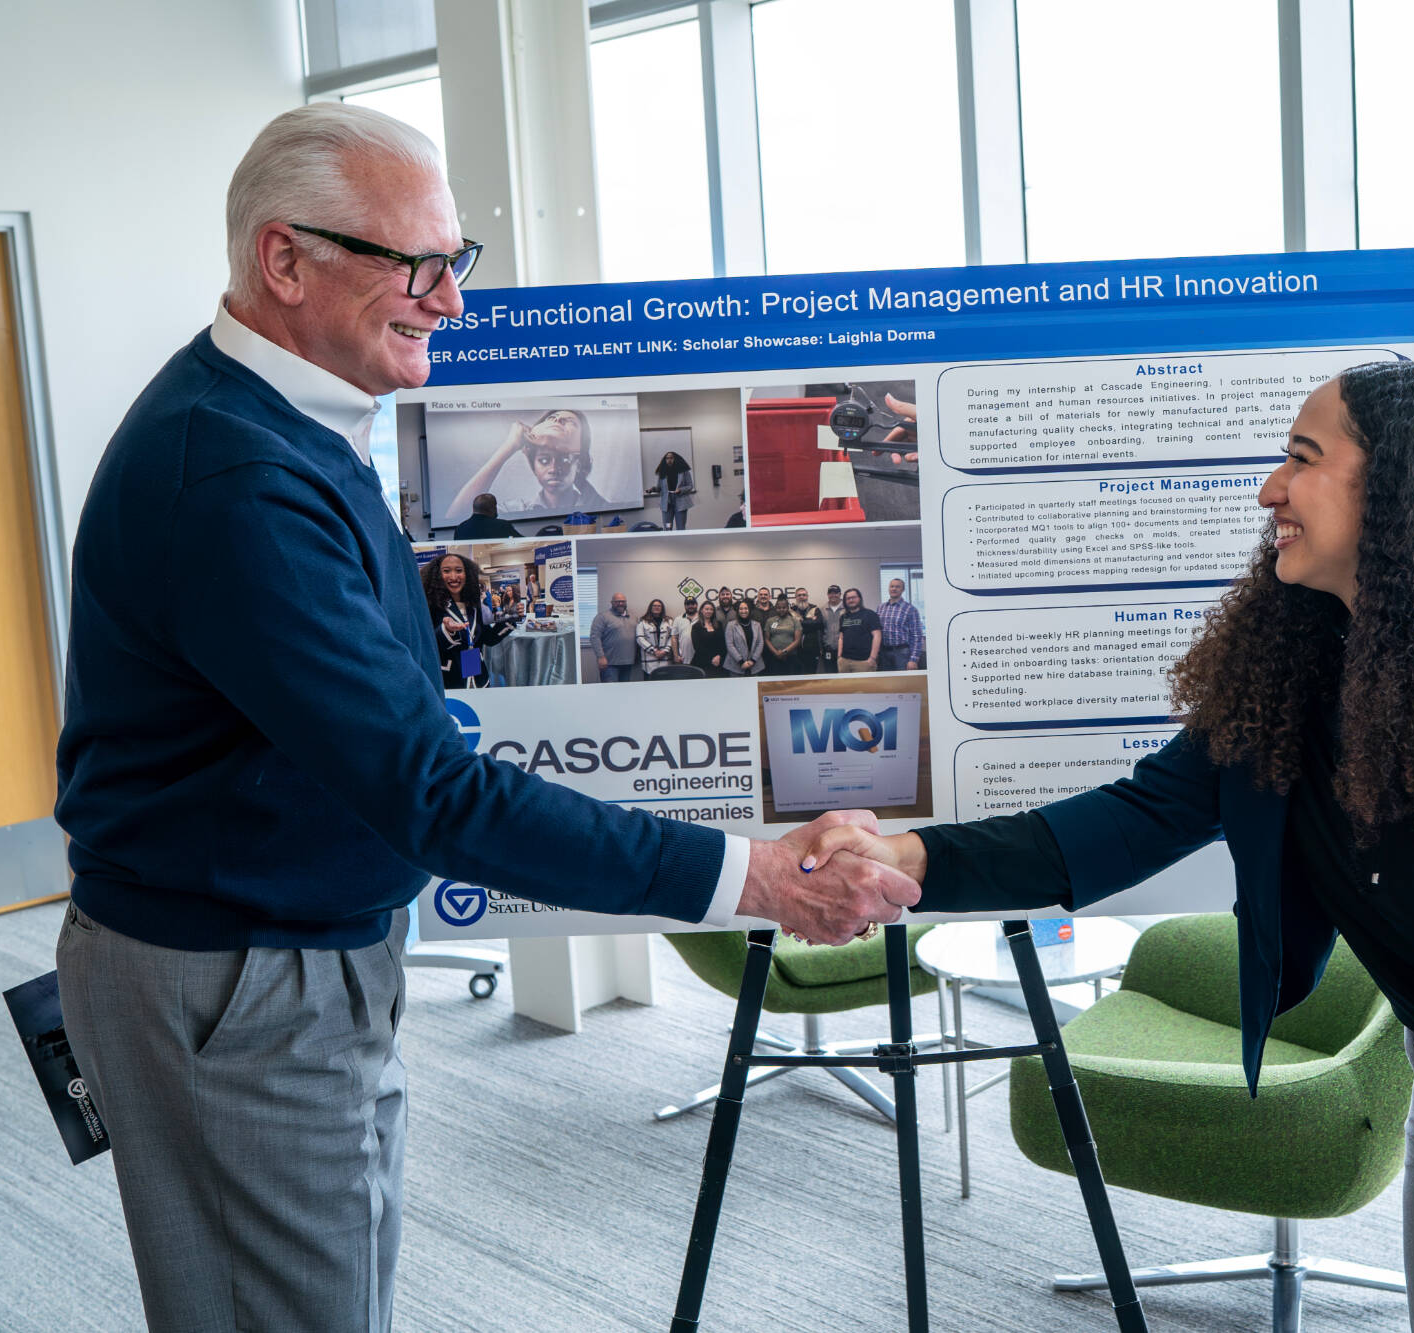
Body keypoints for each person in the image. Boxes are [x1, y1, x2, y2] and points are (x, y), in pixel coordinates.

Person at [51, 104, 916, 1333]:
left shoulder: (296, 420)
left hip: (284, 955)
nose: (449, 301)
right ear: (281, 260)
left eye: (456, 261)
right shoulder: (233, 475)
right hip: (239, 978)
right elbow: (428, 789)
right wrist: (758, 882)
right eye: (412, 266)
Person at [800, 362, 1414, 1333]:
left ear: (1411, 492)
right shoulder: (1283, 681)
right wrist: (909, 857)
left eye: (1300, 455)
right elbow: (1117, 825)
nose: (1266, 488)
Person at [441, 407, 603, 522]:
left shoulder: (598, 508)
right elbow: (458, 518)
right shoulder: (515, 510)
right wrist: (509, 446)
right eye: (544, 460)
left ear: (580, 461)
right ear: (533, 465)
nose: (553, 469)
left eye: (564, 459)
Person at [421, 552, 514, 688]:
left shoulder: (474, 604)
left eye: (459, 570)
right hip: (448, 678)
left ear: (467, 574)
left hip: (477, 673)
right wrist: (446, 630)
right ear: (437, 575)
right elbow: (425, 643)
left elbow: (488, 639)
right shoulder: (429, 604)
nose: (453, 576)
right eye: (446, 571)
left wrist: (512, 618)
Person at [589, 590, 638, 683]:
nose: (620, 603)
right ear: (612, 603)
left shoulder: (633, 617)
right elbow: (594, 637)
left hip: (628, 662)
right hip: (609, 663)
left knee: (625, 691)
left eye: (623, 601)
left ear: (626, 602)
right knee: (610, 692)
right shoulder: (602, 617)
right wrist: (600, 656)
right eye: (617, 601)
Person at [876, 577, 923, 671]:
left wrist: (913, 659)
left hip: (902, 653)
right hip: (884, 653)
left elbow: (917, 636)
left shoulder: (910, 609)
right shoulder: (881, 608)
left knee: (903, 683)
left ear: (903, 590)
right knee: (886, 683)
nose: (894, 589)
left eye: (897, 587)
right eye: (892, 586)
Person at [835, 586, 881, 672]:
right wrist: (839, 657)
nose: (851, 600)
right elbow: (841, 637)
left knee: (864, 686)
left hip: (864, 662)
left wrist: (872, 658)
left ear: (859, 598)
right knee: (845, 685)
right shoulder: (843, 617)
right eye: (848, 598)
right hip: (844, 661)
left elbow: (877, 636)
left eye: (853, 597)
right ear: (845, 601)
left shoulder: (870, 614)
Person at [653, 449, 694, 530]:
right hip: (667, 502)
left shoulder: (684, 471)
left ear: (676, 459)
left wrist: (681, 490)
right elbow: (659, 488)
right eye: (667, 458)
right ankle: (669, 542)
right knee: (668, 527)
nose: (669, 460)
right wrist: (652, 489)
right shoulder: (662, 472)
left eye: (671, 458)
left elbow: (690, 486)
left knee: (681, 527)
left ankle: (681, 542)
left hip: (680, 501)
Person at [725, 597, 766, 677]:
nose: (743, 611)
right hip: (736, 666)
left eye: (746, 608)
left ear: (750, 610)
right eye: (741, 609)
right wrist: (741, 661)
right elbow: (730, 645)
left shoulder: (757, 625)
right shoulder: (731, 625)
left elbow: (760, 643)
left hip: (754, 666)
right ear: (737, 611)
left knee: (753, 689)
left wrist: (753, 660)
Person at [763, 594, 804, 676]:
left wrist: (784, 652)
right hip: (774, 657)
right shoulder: (770, 621)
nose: (781, 610)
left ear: (787, 608)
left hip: (791, 657)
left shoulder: (794, 621)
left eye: (784, 607)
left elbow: (797, 640)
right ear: (776, 608)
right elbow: (767, 639)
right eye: (779, 608)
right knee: (775, 683)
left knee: (791, 683)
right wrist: (776, 652)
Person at [451, 491, 520, 539]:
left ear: (474, 508)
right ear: (492, 508)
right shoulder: (502, 525)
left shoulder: (460, 529)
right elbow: (523, 541)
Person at [637, 598, 678, 674]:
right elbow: (640, 639)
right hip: (649, 660)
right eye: (654, 606)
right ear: (650, 608)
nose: (657, 607)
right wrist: (654, 651)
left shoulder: (669, 621)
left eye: (659, 606)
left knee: (665, 683)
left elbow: (671, 637)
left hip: (665, 658)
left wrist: (665, 650)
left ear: (662, 608)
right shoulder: (643, 621)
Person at [792, 586, 825, 674]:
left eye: (804, 595)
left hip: (812, 649)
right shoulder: (791, 610)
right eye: (799, 595)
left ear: (807, 596)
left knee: (811, 675)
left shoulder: (815, 609)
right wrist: (810, 621)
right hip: (796, 650)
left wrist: (800, 622)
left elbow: (819, 623)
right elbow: (791, 625)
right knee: (797, 676)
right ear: (796, 597)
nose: (802, 597)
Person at [690, 603, 726, 677]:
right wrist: (711, 659)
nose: (709, 611)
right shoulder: (696, 627)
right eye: (706, 609)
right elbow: (697, 647)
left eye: (711, 609)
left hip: (718, 662)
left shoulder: (719, 624)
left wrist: (719, 656)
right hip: (702, 663)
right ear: (701, 611)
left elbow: (723, 644)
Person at [818, 584, 845, 673]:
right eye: (830, 593)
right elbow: (820, 629)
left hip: (844, 648)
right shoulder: (822, 609)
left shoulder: (847, 608)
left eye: (836, 593)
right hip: (828, 648)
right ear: (827, 594)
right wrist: (821, 647)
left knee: (843, 675)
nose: (833, 595)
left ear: (840, 594)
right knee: (830, 674)